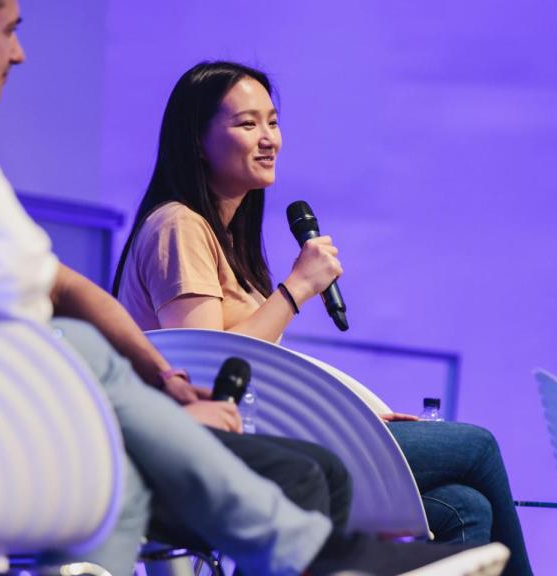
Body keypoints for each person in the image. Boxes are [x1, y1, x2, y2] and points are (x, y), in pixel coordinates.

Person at [0, 2, 511, 575]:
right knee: (75, 345)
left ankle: (284, 548)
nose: (24, 54)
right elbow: (21, 274)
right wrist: (275, 305)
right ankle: (302, 550)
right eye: (15, 29)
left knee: (461, 510)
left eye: (275, 119)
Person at [113, 61, 532, 576]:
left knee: (466, 506)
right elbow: (209, 372)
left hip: (274, 432)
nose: (269, 139)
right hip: (226, 452)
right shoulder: (179, 225)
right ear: (197, 142)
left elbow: (258, 370)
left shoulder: (224, 237)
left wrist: (355, 416)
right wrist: (297, 288)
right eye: (248, 124)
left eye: (273, 121)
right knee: (476, 446)